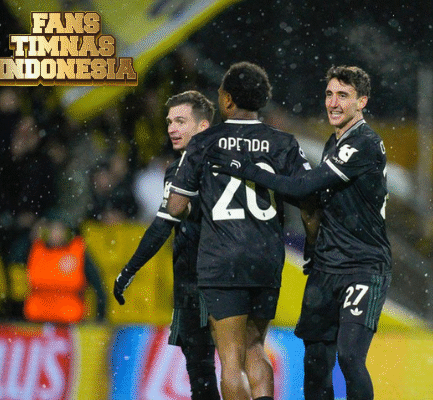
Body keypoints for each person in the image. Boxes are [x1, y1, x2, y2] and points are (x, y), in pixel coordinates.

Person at [207, 65, 392, 400]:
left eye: (343, 96)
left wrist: (248, 170)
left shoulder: (363, 143)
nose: (333, 103)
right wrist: (314, 243)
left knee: (350, 356)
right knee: (316, 360)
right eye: (329, 94)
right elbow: (314, 198)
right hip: (326, 266)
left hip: (363, 266)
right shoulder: (334, 142)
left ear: (362, 101)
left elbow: (305, 186)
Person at [166, 62, 316, 400]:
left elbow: (175, 206)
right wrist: (314, 243)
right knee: (255, 346)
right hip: (266, 258)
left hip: (221, 259)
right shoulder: (283, 143)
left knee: (231, 360)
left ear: (228, 99)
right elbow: (309, 198)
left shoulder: (204, 143)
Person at [113, 90, 220, 400]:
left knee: (204, 370)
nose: (172, 128)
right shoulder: (231, 164)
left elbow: (162, 226)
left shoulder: (185, 170)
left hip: (200, 279)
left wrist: (130, 269)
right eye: (170, 121)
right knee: (227, 364)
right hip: (222, 277)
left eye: (181, 121)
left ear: (202, 126)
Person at [24, 214, 106, 323]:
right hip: (36, 319)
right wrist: (28, 237)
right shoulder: (34, 248)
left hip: (70, 320)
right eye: (52, 229)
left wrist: (100, 317)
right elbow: (13, 259)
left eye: (60, 229)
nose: (56, 233)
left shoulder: (78, 251)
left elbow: (98, 285)